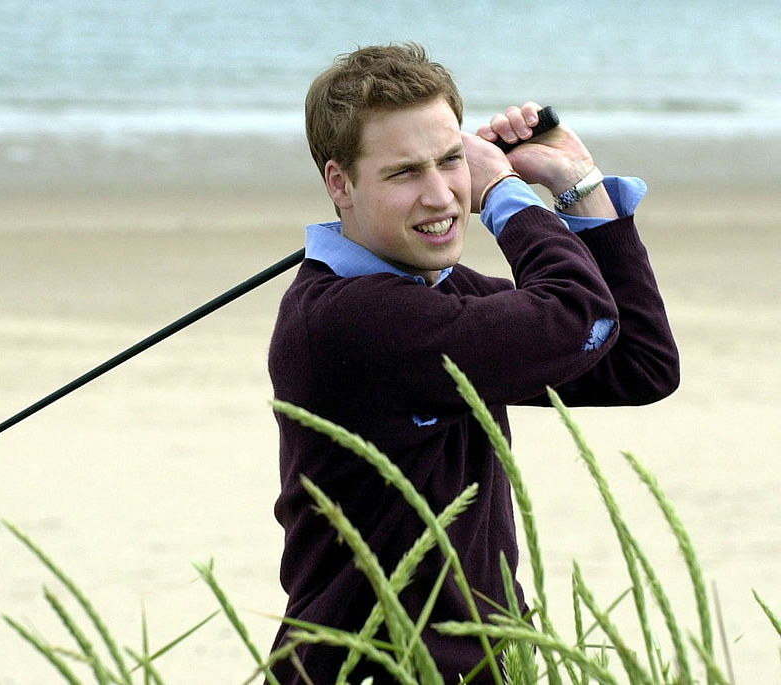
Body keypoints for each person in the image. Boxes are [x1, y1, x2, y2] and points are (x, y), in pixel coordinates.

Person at [267, 43, 680, 683]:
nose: (440, 196)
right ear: (339, 184)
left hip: (489, 661)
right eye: (405, 172)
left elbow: (636, 362)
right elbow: (578, 318)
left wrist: (579, 184)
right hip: (372, 668)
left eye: (451, 161)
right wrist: (502, 193)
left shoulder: (438, 293)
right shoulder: (350, 321)